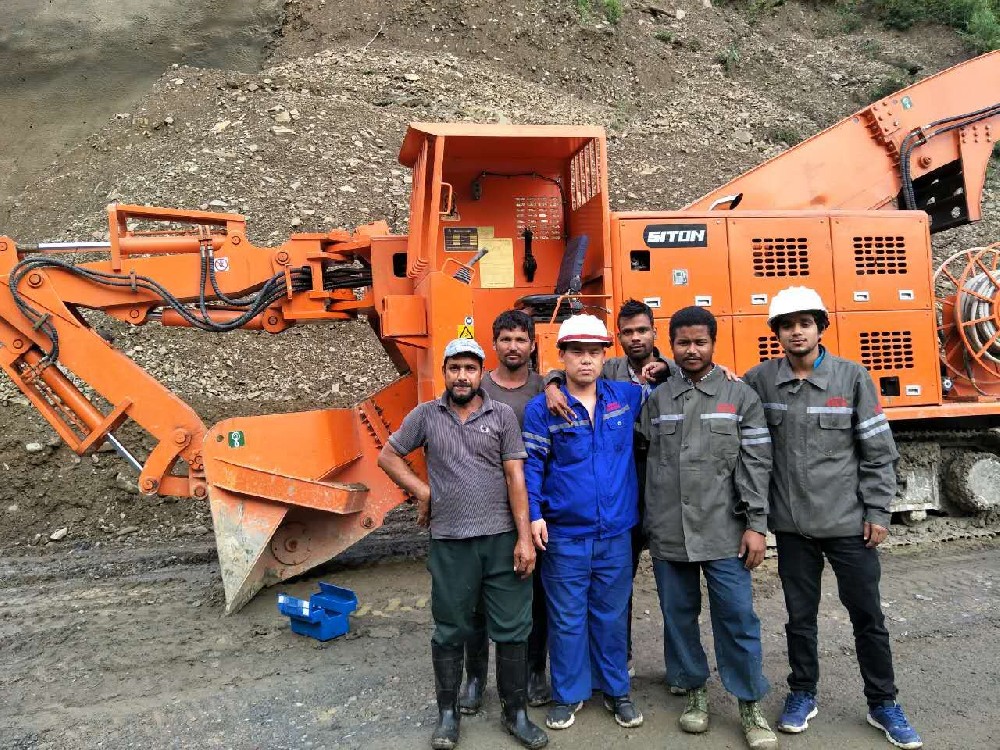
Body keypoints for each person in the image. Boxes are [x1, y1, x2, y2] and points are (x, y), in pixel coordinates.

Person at [743, 286, 923, 750]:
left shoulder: (852, 378)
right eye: (787, 325)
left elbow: (879, 452)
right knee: (799, 618)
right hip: (793, 526)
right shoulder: (760, 381)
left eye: (805, 323)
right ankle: (803, 693)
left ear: (820, 327)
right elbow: (728, 404)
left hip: (849, 525)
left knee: (867, 616)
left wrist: (878, 511)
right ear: (776, 333)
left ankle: (883, 702)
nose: (796, 332)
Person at [377, 338, 548, 750]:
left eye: (470, 369)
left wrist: (524, 538)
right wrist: (423, 491)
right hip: (450, 542)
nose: (462, 376)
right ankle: (448, 715)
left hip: (501, 538)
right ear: (444, 372)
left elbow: (516, 478)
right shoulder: (426, 415)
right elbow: (388, 456)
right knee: (451, 628)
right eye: (454, 368)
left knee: (512, 628)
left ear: (480, 373)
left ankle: (515, 713)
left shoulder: (502, 415)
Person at [638, 306, 777, 750]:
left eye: (700, 342)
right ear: (671, 346)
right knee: (678, 617)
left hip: (725, 530)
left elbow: (756, 465)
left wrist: (756, 525)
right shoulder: (657, 398)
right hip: (670, 530)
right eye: (683, 343)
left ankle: (749, 703)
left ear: (714, 343)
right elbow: (641, 458)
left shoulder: (740, 397)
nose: (692, 350)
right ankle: (693, 690)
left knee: (737, 618)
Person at [522, 314, 645, 732]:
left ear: (605, 356)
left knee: (611, 615)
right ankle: (568, 694)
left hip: (615, 533)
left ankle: (616, 690)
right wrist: (535, 515)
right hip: (565, 534)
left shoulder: (624, 397)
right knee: (567, 617)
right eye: (577, 352)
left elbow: (668, 379)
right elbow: (532, 466)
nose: (586, 360)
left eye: (594, 352)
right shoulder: (543, 408)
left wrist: (724, 374)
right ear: (562, 355)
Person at [459, 311, 550, 714]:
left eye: (521, 339)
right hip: (485, 508)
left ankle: (534, 671)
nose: (513, 346)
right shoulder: (477, 388)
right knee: (476, 599)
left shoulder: (546, 387)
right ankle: (475, 678)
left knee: (536, 595)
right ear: (493, 343)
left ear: (533, 344)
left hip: (536, 506)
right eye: (506, 339)